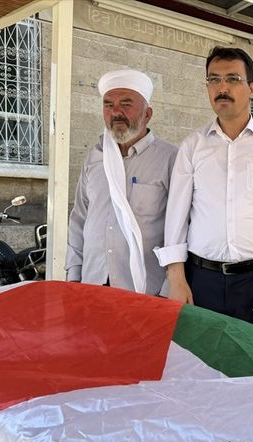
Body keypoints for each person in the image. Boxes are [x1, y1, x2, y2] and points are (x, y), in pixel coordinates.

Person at [155, 47, 253, 335]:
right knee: (201, 361)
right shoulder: (193, 146)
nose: (222, 88)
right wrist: (177, 280)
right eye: (214, 80)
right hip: (201, 283)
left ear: (252, 89)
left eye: (233, 79)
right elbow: (176, 217)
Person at [66, 69, 178, 296]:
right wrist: (74, 276)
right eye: (108, 105)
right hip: (92, 284)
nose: (116, 112)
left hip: (145, 292)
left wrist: (167, 291)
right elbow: (79, 219)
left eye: (126, 104)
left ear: (147, 114)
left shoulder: (170, 159)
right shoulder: (95, 157)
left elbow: (179, 230)